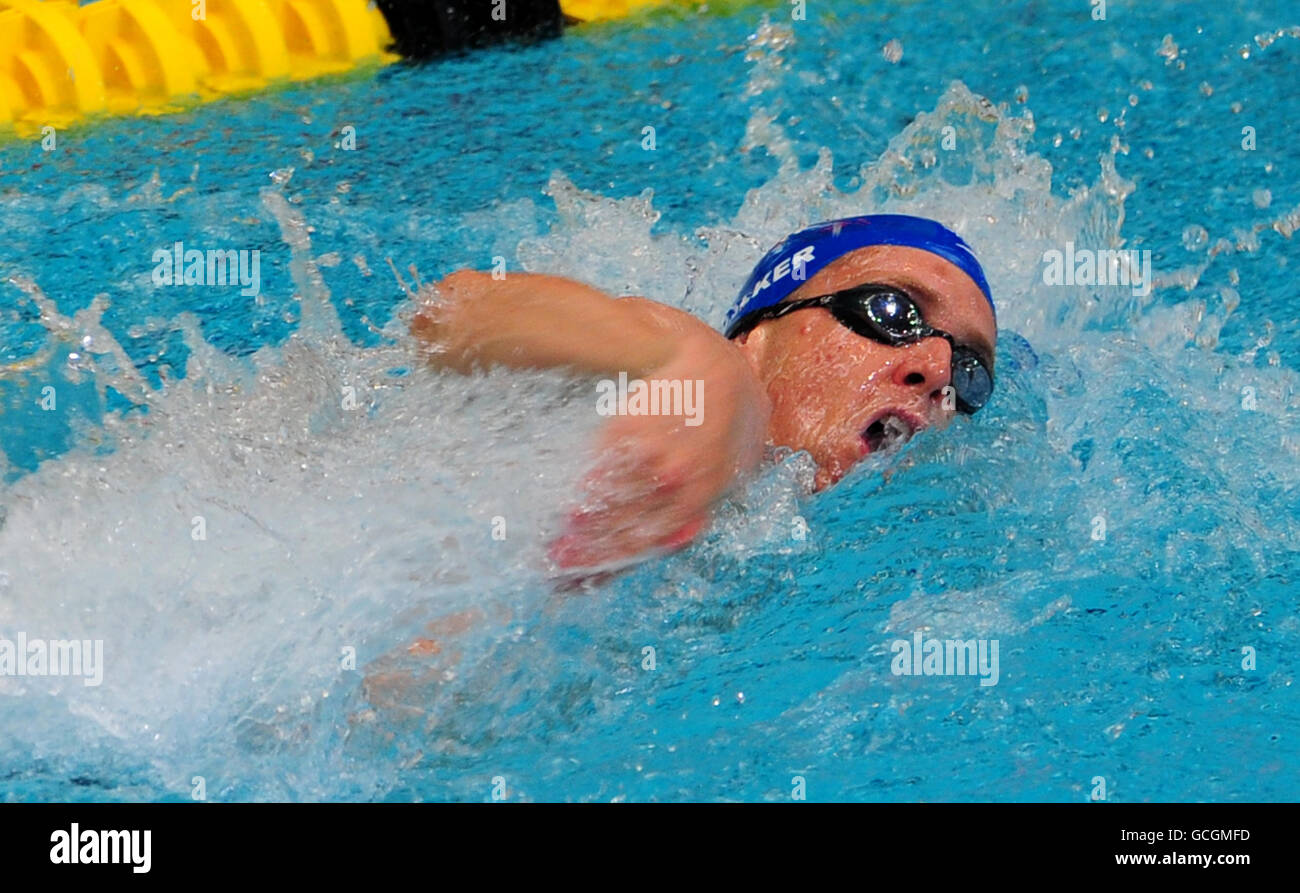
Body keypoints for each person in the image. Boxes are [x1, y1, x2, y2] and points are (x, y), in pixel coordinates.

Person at [411, 214, 997, 571]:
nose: (939, 369)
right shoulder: (688, 381)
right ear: (758, 335)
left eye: (972, 368)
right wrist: (702, 368)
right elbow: (450, 312)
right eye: (891, 310)